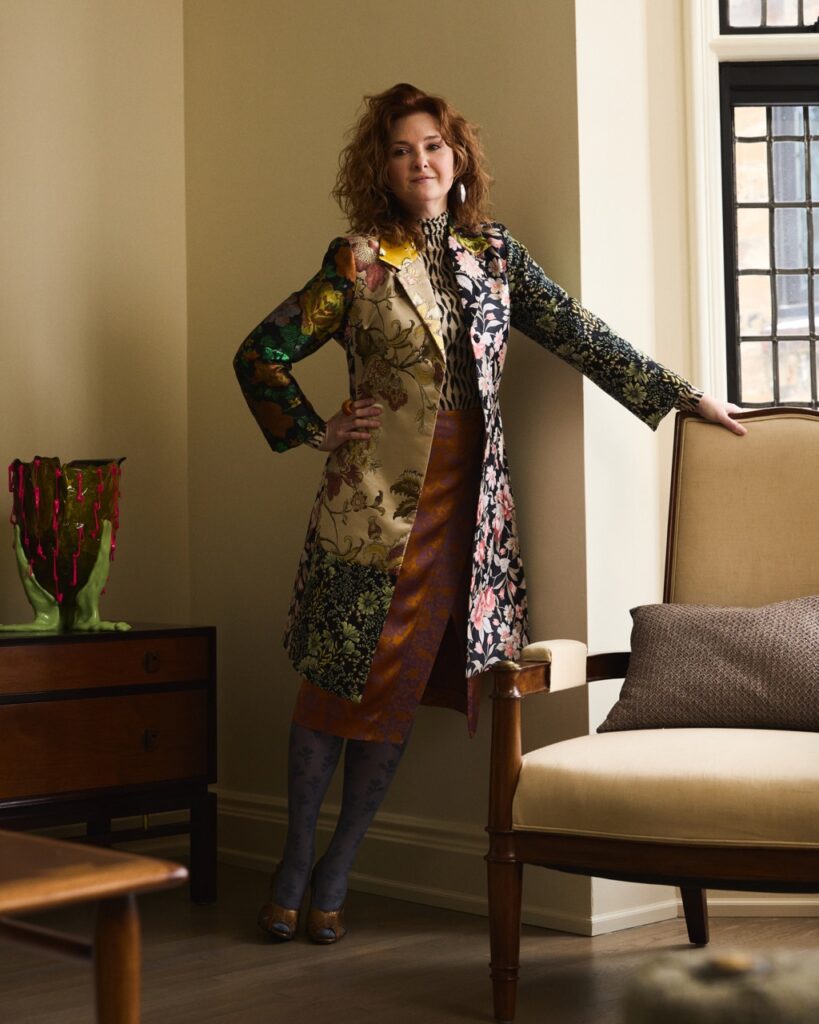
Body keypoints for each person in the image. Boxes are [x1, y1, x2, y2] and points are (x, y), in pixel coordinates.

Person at [233, 82, 745, 945]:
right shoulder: (356, 262)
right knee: (333, 689)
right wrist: (317, 430)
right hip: (367, 514)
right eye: (400, 150)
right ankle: (290, 861)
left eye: (432, 145)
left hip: (467, 513)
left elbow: (577, 331)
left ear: (456, 156)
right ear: (383, 169)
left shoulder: (496, 256)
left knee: (393, 698)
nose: (419, 161)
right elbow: (262, 353)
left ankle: (338, 869)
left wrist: (681, 394)